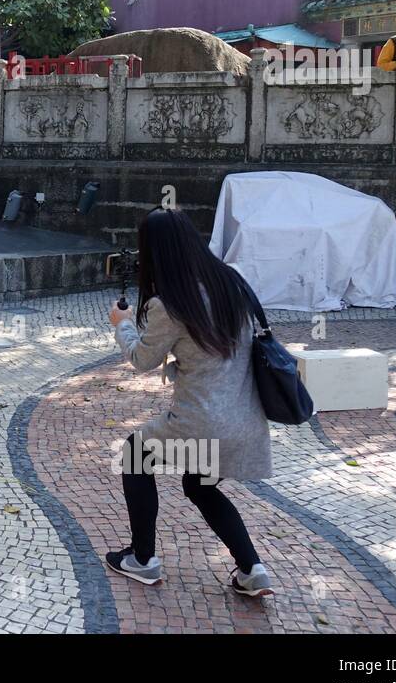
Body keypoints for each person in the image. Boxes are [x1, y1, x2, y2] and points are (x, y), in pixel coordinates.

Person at [106, 206, 274, 597]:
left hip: (202, 421)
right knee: (199, 485)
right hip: (246, 419)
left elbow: (140, 360)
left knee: (134, 454)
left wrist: (122, 324)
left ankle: (143, 559)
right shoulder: (233, 283)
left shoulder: (170, 304)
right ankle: (252, 570)